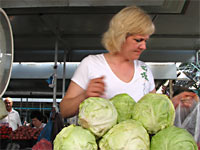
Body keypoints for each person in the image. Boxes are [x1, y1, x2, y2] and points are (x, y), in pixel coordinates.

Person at [60, 5, 156, 119]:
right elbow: (64, 110)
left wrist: (172, 104)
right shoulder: (91, 64)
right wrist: (84, 95)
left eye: (146, 40)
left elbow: (153, 110)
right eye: (138, 40)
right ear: (120, 36)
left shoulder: (144, 70)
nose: (144, 46)